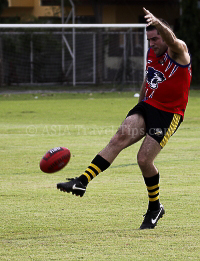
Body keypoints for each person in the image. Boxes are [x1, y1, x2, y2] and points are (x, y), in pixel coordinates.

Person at [57, 7, 192, 229]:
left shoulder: (179, 51)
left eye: (156, 38)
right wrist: (140, 105)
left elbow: (172, 39)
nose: (153, 43)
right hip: (149, 105)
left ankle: (155, 207)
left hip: (169, 114)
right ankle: (82, 182)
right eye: (149, 39)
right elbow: (148, 79)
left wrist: (159, 23)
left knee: (144, 160)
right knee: (118, 138)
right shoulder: (151, 54)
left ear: (165, 36)